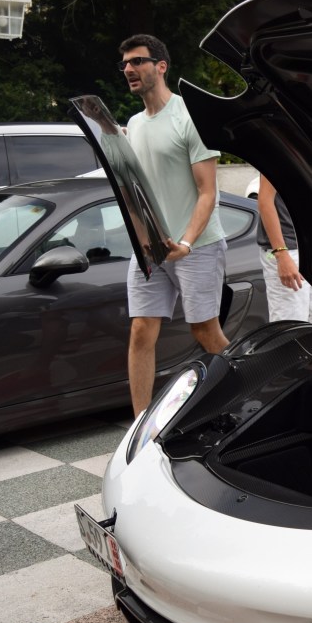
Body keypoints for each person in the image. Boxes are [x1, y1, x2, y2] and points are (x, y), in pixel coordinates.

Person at [119, 35, 229, 414]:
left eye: (137, 62)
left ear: (160, 66)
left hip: (196, 246)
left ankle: (245, 394)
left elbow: (207, 192)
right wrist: (141, 239)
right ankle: (139, 429)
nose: (129, 70)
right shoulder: (133, 125)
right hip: (152, 248)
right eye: (125, 65)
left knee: (205, 332)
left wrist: (186, 241)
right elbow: (135, 193)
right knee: (140, 331)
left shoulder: (189, 117)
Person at [255, 174, 312, 324]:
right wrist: (281, 255)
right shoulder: (278, 151)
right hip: (286, 250)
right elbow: (265, 202)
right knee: (291, 328)